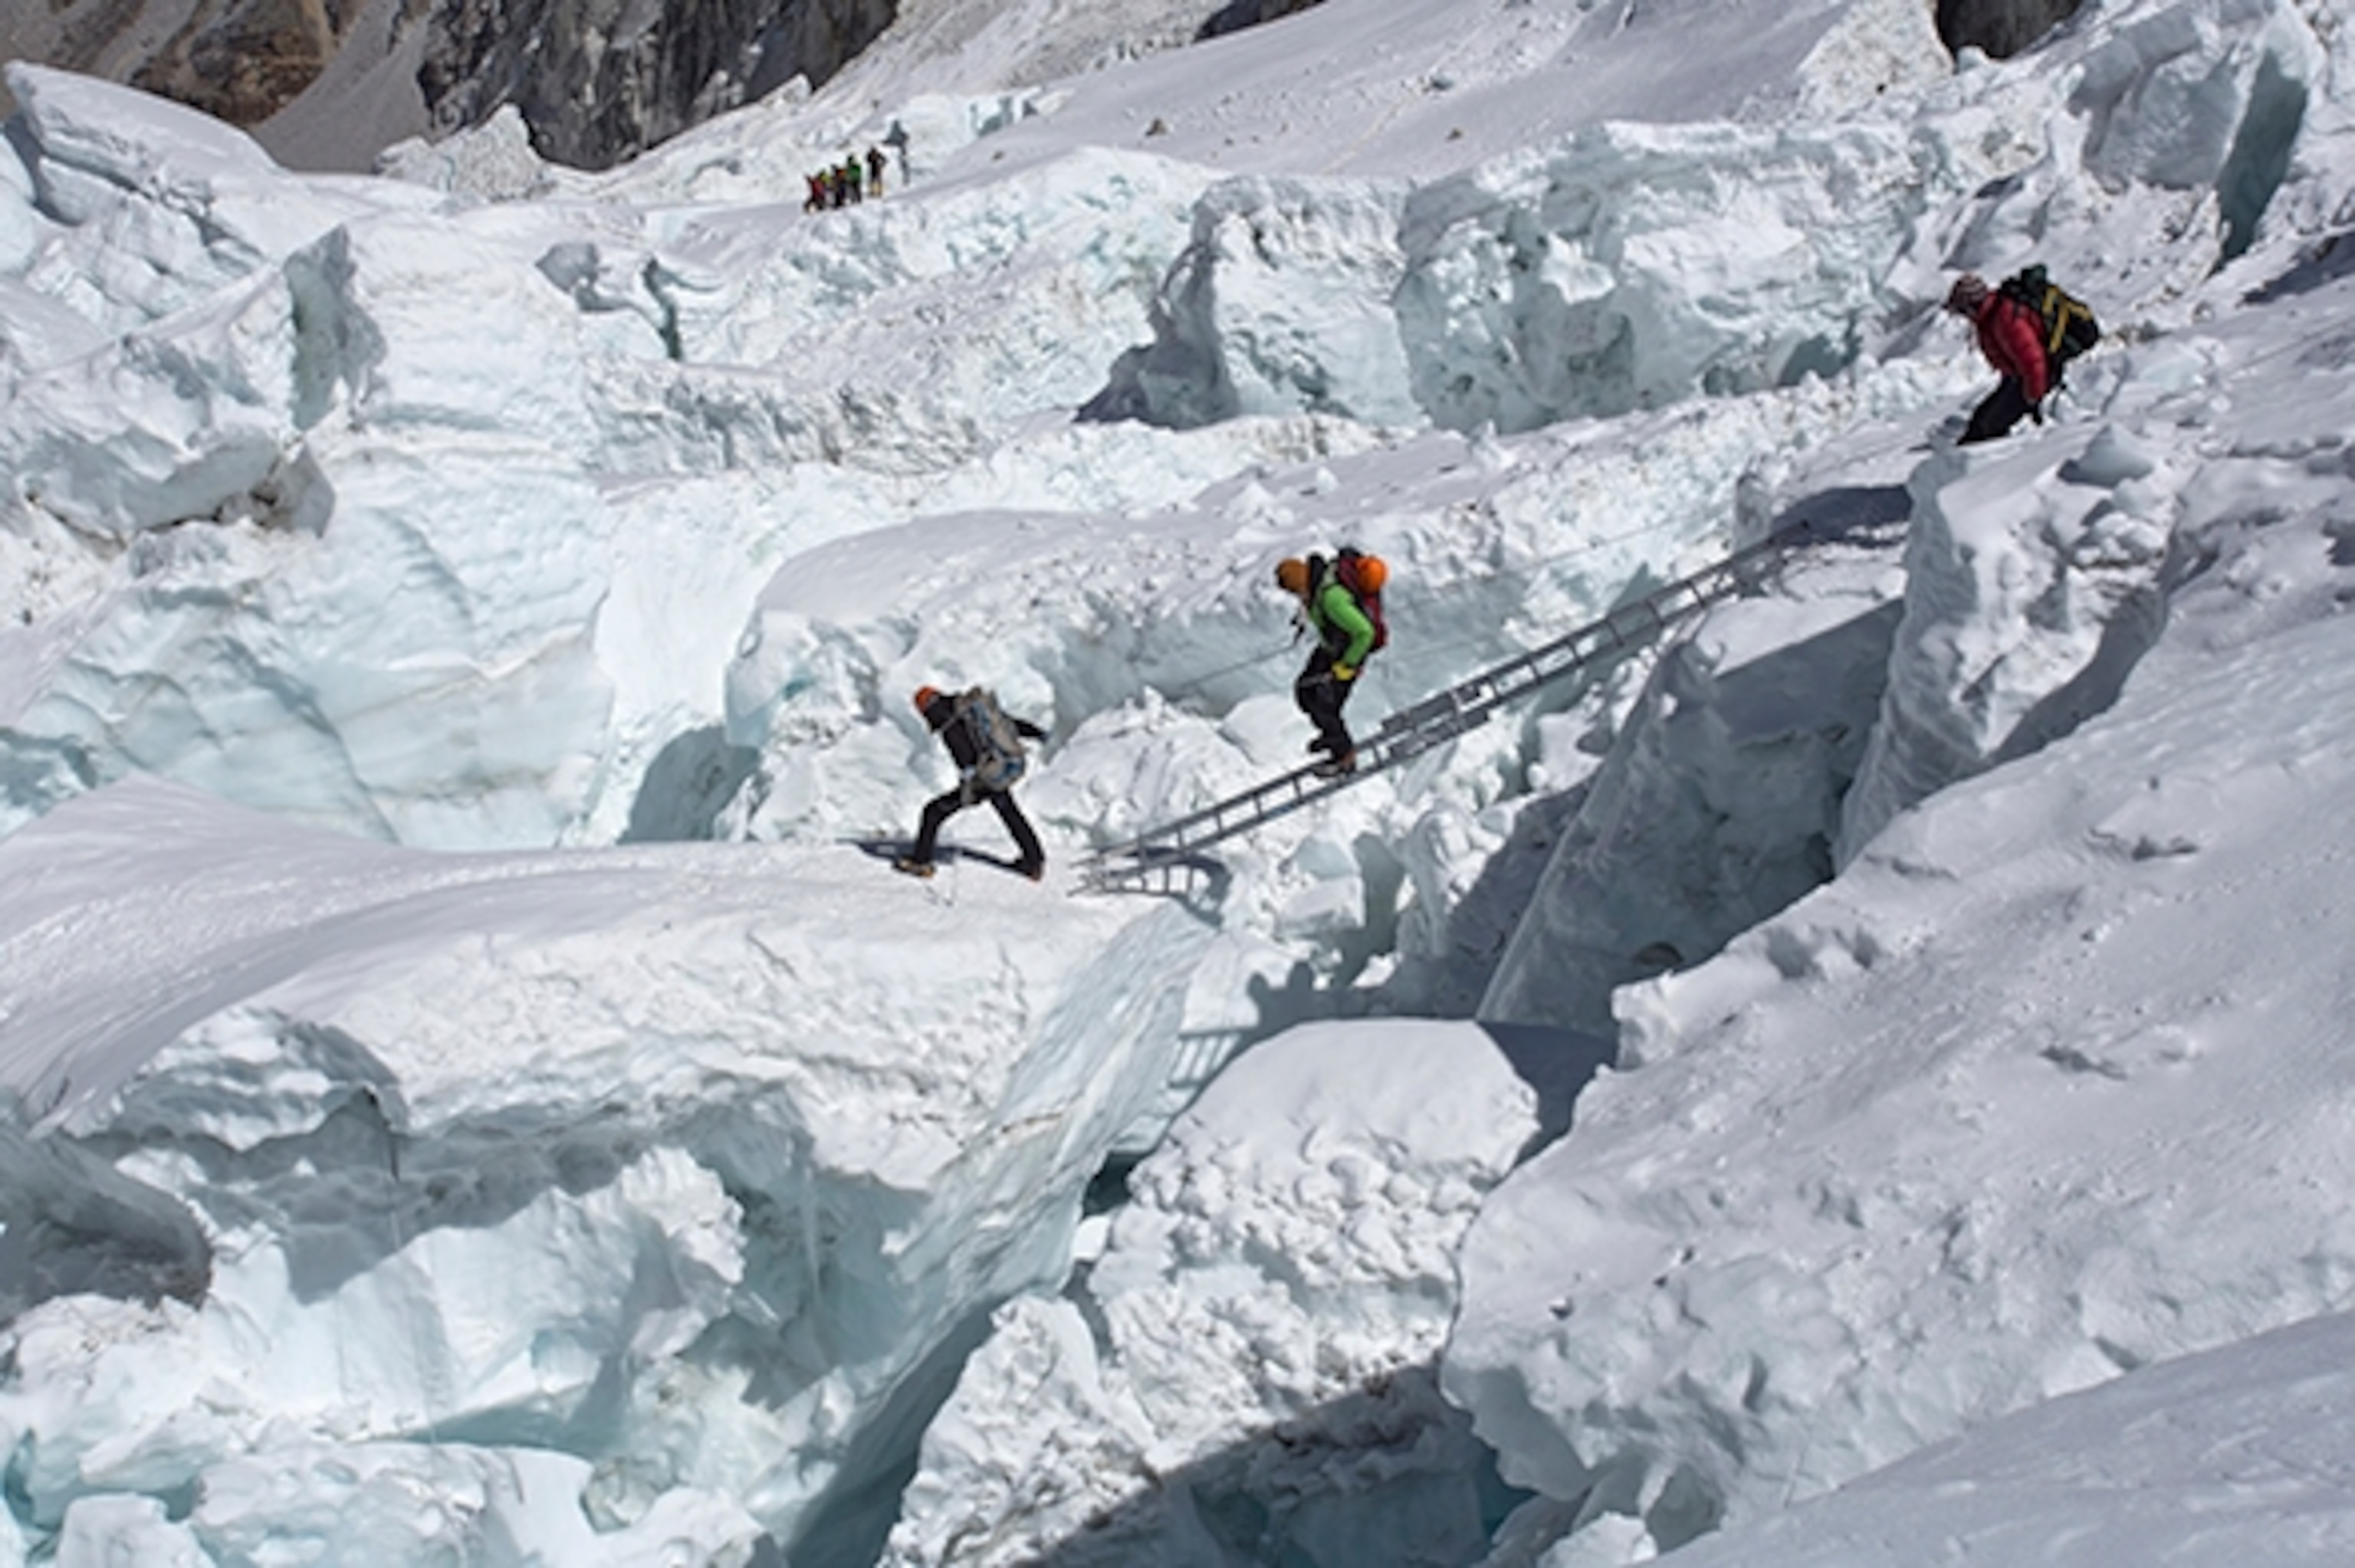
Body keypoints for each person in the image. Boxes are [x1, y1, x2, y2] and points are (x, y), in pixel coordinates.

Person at [897, 685, 1047, 881]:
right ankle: (1034, 861)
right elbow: (1006, 724)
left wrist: (968, 790)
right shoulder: (968, 709)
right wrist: (1036, 733)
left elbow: (967, 760)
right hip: (996, 769)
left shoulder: (947, 722)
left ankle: (921, 862)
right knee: (1009, 811)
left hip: (982, 779)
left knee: (933, 812)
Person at [1275, 552, 1384, 776]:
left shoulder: (1331, 599)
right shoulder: (1316, 587)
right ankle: (1331, 735)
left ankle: (1344, 758)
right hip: (1331, 648)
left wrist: (1348, 665)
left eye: (1295, 591)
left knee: (1325, 705)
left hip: (1348, 654)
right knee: (1305, 690)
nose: (1297, 596)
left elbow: (1365, 632)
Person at [1946, 271, 2053, 444]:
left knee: (1989, 428)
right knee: (1979, 423)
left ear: (1972, 305)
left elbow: (2033, 359)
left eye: (1963, 310)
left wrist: (2034, 397)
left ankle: (1990, 466)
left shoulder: (2006, 319)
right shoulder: (1989, 318)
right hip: (2018, 378)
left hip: (2035, 379)